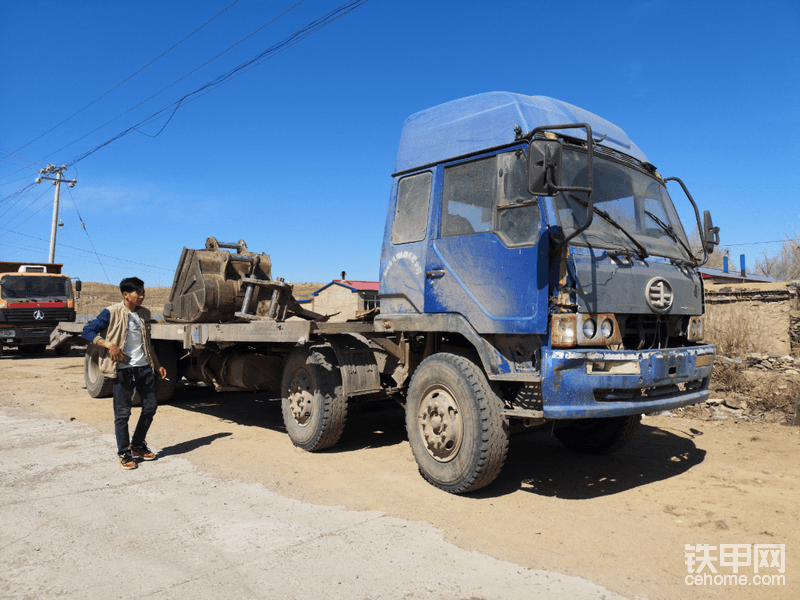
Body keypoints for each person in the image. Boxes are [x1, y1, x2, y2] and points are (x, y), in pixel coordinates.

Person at [82, 277, 167, 469]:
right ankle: (123, 452)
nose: (142, 296)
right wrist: (108, 344)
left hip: (145, 368)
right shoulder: (111, 312)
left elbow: (147, 343)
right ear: (126, 294)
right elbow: (87, 331)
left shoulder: (144, 313)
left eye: (143, 292)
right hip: (123, 370)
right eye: (138, 293)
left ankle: (137, 445)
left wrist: (157, 364)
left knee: (150, 408)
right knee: (122, 414)